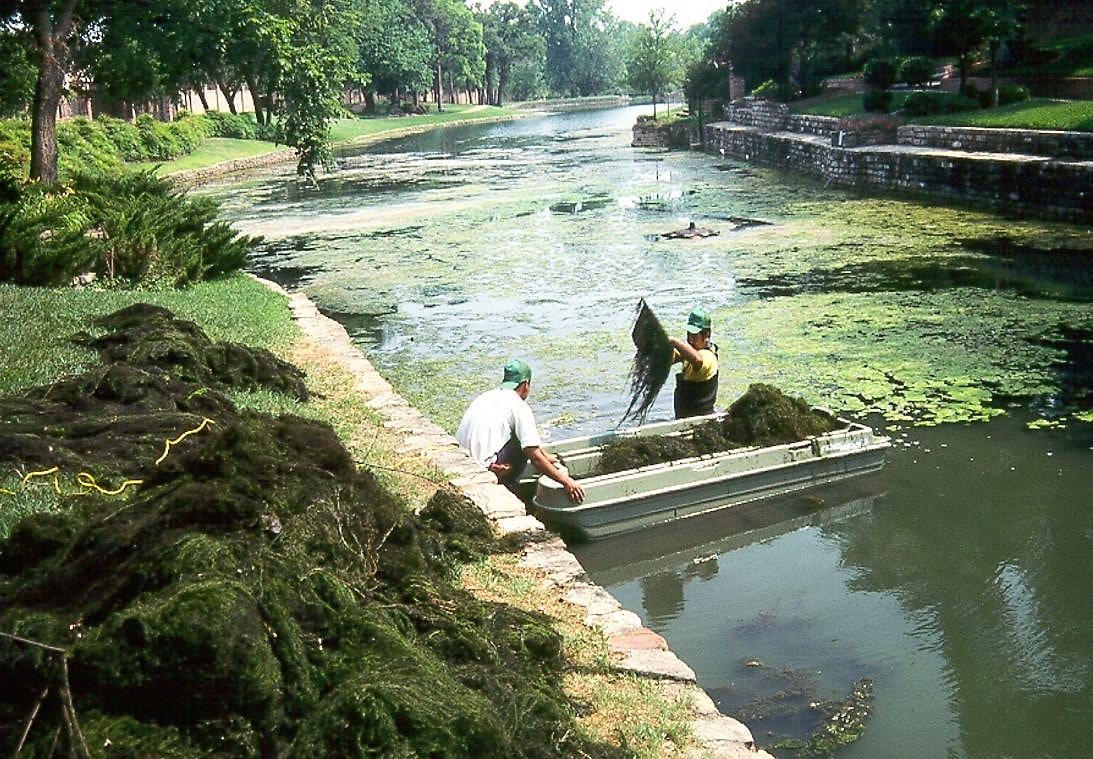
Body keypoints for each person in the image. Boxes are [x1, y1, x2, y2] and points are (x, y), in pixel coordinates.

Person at [456, 358, 585, 503]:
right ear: (525, 385)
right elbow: (535, 457)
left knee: (523, 438)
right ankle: (507, 487)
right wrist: (566, 481)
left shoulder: (485, 397)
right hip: (484, 469)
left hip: (463, 463)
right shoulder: (519, 406)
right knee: (524, 446)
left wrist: (546, 457)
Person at [669, 307, 719, 419]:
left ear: (707, 335)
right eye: (689, 334)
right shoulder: (689, 352)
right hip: (683, 418)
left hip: (702, 419)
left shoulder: (708, 357)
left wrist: (673, 341)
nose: (690, 340)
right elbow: (672, 357)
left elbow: (697, 360)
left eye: (694, 336)